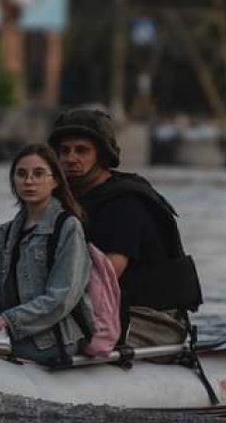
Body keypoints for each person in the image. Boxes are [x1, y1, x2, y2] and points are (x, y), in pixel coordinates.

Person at [50, 107, 203, 348]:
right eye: (64, 151)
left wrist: (44, 308)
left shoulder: (124, 204)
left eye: (81, 150)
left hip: (151, 320)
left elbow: (106, 276)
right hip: (92, 310)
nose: (70, 158)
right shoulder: (61, 202)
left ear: (101, 155)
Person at [0, 144, 92, 365]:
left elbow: (61, 297)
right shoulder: (5, 232)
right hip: (8, 332)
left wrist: (8, 321)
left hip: (52, 339)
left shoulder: (68, 227)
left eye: (38, 174)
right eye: (21, 174)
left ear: (55, 181)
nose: (29, 181)